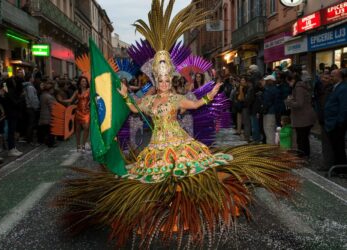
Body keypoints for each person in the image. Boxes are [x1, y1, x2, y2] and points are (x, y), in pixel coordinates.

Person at [56, 1, 301, 248]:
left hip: (180, 142)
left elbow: (195, 106)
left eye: (166, 79)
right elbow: (134, 108)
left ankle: (191, 207)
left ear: (170, 79)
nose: (163, 83)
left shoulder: (176, 98)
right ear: (156, 79)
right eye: (159, 79)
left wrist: (212, 93)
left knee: (186, 172)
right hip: (157, 146)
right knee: (157, 177)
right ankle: (169, 210)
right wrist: (122, 93)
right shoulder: (149, 100)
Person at [285, 66, 316, 157]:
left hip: (303, 118)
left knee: (302, 139)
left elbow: (299, 103)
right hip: (303, 117)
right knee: (302, 139)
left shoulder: (299, 87)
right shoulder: (299, 85)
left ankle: (303, 158)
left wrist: (288, 102)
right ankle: (304, 157)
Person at [324, 69, 347, 173]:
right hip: (331, 121)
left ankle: (341, 169)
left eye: (333, 76)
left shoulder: (343, 88)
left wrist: (339, 122)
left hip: (336, 123)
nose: (330, 78)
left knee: (339, 146)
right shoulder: (335, 87)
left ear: (339, 77)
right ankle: (338, 167)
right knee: (335, 146)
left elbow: (343, 107)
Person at [71, 76, 90, 152]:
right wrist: (60, 100)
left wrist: (90, 101)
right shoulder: (77, 91)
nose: (84, 83)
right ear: (79, 83)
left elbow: (93, 97)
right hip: (78, 112)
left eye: (85, 81)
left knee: (86, 128)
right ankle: (78, 145)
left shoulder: (89, 90)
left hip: (87, 112)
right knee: (78, 130)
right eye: (82, 81)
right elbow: (70, 100)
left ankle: (83, 145)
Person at [38, 81, 56, 147]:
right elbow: (52, 108)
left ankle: (46, 141)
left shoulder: (42, 95)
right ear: (50, 90)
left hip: (43, 116)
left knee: (46, 130)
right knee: (51, 131)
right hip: (48, 116)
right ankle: (50, 143)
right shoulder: (49, 97)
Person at [23, 72, 40, 144]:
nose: (33, 79)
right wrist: (35, 106)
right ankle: (29, 139)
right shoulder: (30, 87)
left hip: (29, 107)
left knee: (30, 123)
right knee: (31, 124)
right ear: (30, 79)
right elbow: (32, 98)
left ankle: (29, 139)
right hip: (31, 107)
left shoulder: (28, 86)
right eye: (32, 77)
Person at [262, 75, 279, 145]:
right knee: (270, 130)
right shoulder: (275, 89)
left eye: (267, 80)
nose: (265, 81)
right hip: (272, 111)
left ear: (270, 81)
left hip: (269, 112)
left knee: (269, 131)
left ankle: (271, 149)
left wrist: (263, 109)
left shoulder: (269, 90)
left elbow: (267, 101)